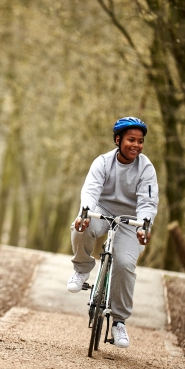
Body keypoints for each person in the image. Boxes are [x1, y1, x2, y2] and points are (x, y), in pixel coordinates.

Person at [67, 116, 158, 349]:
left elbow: (148, 202)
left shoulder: (146, 168)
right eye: (131, 140)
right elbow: (91, 190)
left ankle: (118, 320)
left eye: (140, 141)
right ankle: (81, 269)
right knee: (80, 227)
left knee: (125, 264)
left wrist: (145, 225)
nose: (136, 145)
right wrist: (85, 213)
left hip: (132, 219)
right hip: (102, 209)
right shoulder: (103, 162)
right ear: (118, 140)